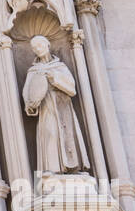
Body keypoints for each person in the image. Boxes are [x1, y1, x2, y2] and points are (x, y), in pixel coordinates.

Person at [22, 35, 89, 176]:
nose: (37, 49)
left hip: (63, 107)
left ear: (47, 45)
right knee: (50, 134)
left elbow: (72, 88)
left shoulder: (59, 67)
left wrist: (54, 77)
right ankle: (52, 170)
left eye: (40, 45)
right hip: (46, 109)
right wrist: (32, 104)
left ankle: (73, 169)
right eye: (34, 48)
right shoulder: (33, 71)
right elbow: (28, 93)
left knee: (68, 135)